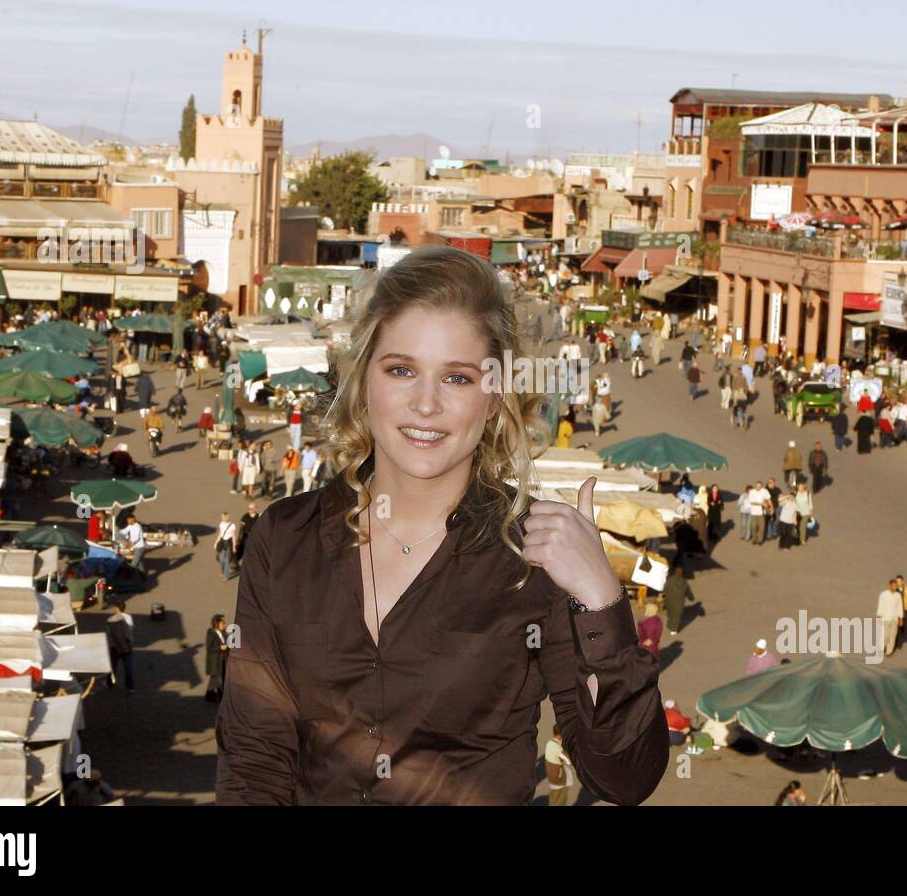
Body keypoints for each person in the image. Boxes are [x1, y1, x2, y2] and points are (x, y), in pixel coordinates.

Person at [216, 247, 667, 805]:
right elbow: (254, 756)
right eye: (401, 370)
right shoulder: (284, 538)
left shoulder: (536, 558)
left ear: (496, 394)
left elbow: (624, 777)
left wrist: (600, 600)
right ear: (362, 379)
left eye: (457, 378)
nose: (425, 404)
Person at [105, 601, 135, 693]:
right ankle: (130, 687)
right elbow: (130, 629)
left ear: (117, 608)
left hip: (115, 646)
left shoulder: (111, 619)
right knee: (128, 667)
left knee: (112, 666)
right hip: (127, 646)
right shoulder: (128, 617)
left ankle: (110, 683)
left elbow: (109, 633)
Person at [544, 727, 573, 806]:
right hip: (559, 780)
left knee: (553, 799)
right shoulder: (558, 748)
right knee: (560, 801)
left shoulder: (549, 743)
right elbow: (569, 761)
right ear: (560, 735)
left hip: (551, 777)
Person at [877, 579, 904, 656]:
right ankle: (881, 649)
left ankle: (889, 651)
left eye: (896, 586)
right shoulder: (883, 594)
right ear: (889, 585)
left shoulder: (898, 595)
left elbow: (900, 607)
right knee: (884, 635)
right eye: (893, 585)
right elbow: (880, 605)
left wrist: (901, 618)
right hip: (885, 618)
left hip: (894, 619)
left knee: (893, 636)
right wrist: (879, 615)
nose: (895, 587)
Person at [205, 614, 229, 702]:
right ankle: (220, 697)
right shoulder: (211, 633)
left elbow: (227, 643)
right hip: (215, 661)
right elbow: (209, 648)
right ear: (216, 624)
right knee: (218, 680)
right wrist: (220, 647)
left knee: (214, 680)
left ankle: (209, 696)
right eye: (223, 623)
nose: (225, 624)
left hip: (222, 660)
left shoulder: (224, 633)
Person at [215, 511, 238, 581]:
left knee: (227, 560)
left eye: (223, 517)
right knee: (221, 559)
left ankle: (226, 576)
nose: (222, 518)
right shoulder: (221, 524)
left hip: (229, 544)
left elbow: (234, 537)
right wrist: (216, 542)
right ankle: (222, 571)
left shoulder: (232, 525)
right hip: (222, 543)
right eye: (222, 517)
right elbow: (220, 534)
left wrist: (234, 546)